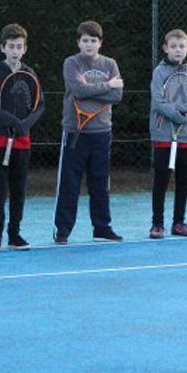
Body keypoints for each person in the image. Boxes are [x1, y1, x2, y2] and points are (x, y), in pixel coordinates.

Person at [53, 21, 124, 244]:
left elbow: (117, 96)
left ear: (100, 43)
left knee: (101, 183)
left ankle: (102, 228)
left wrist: (95, 90)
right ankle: (63, 229)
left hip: (102, 132)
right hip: (75, 132)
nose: (89, 44)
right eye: (85, 40)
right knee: (69, 182)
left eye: (93, 40)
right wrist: (107, 85)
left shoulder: (110, 64)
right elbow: (79, 90)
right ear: (79, 42)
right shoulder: (71, 63)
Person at [0, 23, 45, 252]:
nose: (15, 51)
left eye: (19, 46)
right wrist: (10, 120)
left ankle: (14, 235)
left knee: (19, 189)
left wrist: (24, 124)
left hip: (22, 141)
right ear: (2, 48)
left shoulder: (29, 73)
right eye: (11, 46)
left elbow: (39, 105)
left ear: (25, 48)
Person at [149, 29, 187, 239]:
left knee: (184, 179)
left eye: (181, 46)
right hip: (163, 134)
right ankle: (157, 224)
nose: (177, 50)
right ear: (166, 48)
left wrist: (184, 113)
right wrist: (179, 115)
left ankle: (179, 222)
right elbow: (158, 101)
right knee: (162, 179)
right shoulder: (159, 72)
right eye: (173, 46)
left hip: (186, 135)